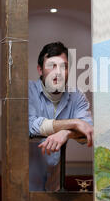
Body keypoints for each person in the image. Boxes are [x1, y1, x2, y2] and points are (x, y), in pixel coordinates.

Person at [29, 41, 93, 191]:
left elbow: (87, 131)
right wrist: (76, 123)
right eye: (52, 66)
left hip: (54, 186)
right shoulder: (27, 92)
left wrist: (65, 133)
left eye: (63, 66)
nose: (58, 72)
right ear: (40, 70)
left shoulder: (77, 96)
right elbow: (32, 126)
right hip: (25, 186)